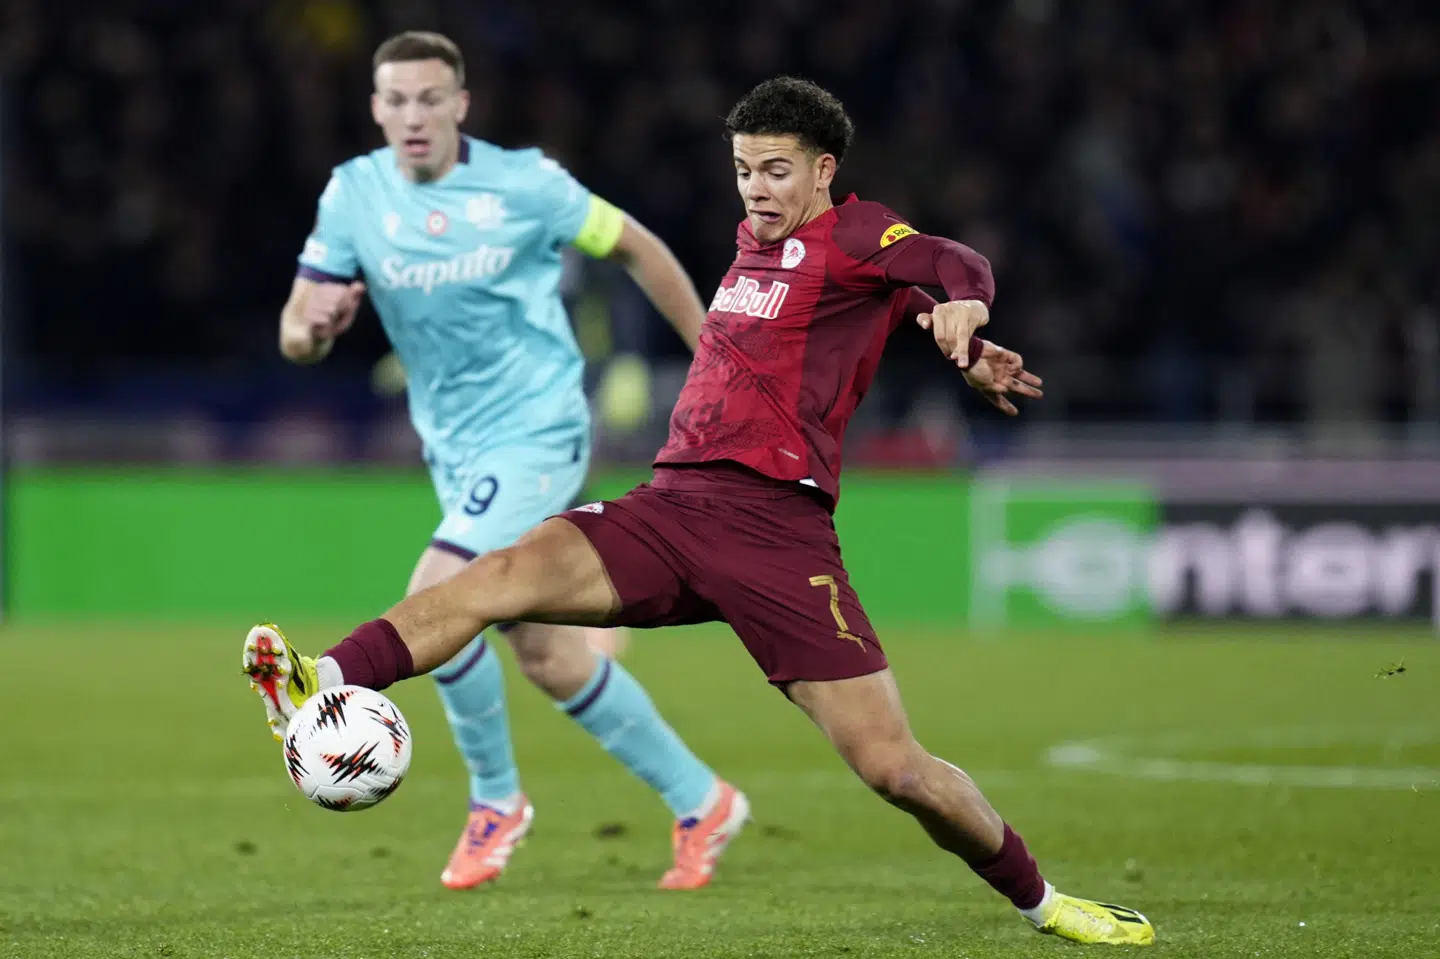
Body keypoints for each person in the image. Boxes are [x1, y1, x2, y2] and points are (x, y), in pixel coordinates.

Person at [244, 76, 1155, 945]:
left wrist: (966, 311)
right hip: (673, 502)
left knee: (894, 768)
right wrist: (937, 325)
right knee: (494, 578)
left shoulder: (857, 231)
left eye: (777, 170)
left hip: (776, 532)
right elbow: (873, 305)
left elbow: (952, 262)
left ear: (824, 171)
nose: (757, 190)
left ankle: (1045, 901)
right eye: (744, 170)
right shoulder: (759, 243)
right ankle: (321, 679)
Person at [254, 30, 748, 893]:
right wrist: (316, 327)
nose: (414, 116)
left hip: (541, 427)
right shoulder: (354, 194)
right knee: (550, 656)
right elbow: (296, 326)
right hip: (455, 448)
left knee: (437, 594)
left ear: (460, 106)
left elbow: (638, 246)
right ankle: (702, 800)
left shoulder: (526, 183)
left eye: (429, 99)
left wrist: (713, 364)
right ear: (376, 109)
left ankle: (492, 797)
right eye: (396, 101)